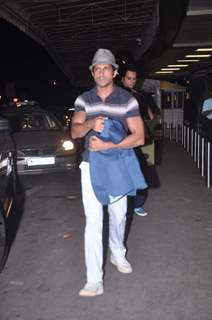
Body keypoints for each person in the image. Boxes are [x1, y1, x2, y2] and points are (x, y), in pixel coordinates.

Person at [71, 48, 145, 297]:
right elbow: (75, 132)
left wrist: (110, 145)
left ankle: (117, 252)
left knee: (119, 215)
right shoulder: (84, 99)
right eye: (97, 68)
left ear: (114, 72)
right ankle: (94, 280)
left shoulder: (127, 100)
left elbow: (139, 137)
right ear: (92, 73)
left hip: (117, 165)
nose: (102, 72)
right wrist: (91, 124)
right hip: (90, 166)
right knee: (93, 222)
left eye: (106, 68)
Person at [121, 65, 155, 217]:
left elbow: (151, 116)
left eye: (134, 79)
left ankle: (137, 204)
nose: (132, 81)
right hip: (124, 139)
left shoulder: (138, 94)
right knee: (124, 173)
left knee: (142, 172)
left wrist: (146, 102)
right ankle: (125, 204)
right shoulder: (118, 94)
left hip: (141, 138)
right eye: (129, 78)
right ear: (122, 79)